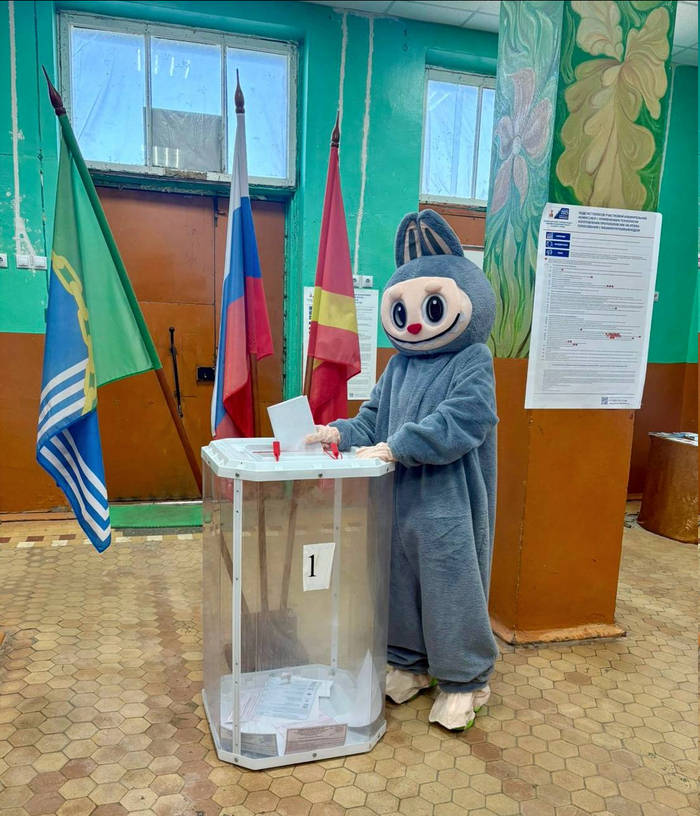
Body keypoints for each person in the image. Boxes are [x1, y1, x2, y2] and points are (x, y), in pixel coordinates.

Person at [306, 209, 499, 731]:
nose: (415, 323)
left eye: (431, 307)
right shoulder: (399, 366)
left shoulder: (472, 360)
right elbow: (373, 418)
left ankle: (466, 679)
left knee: (450, 585)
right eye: (404, 310)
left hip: (447, 503)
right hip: (398, 500)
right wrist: (339, 433)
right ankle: (411, 663)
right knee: (398, 582)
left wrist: (398, 447)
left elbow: (465, 418)